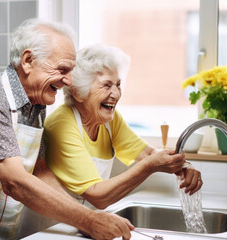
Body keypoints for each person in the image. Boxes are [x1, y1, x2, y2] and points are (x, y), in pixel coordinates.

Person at [0, 19, 134, 240]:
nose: (69, 81)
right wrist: (89, 220)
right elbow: (14, 182)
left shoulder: (37, 105)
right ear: (28, 61)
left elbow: (40, 173)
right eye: (63, 69)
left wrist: (87, 218)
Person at [44, 44, 203, 210]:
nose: (116, 94)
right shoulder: (61, 124)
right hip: (52, 226)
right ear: (78, 92)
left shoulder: (108, 120)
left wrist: (181, 166)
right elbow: (97, 195)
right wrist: (150, 166)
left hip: (85, 220)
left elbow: (147, 153)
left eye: (118, 85)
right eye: (107, 85)